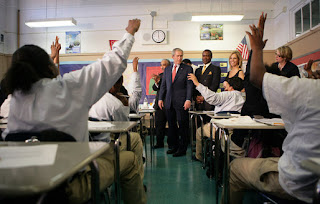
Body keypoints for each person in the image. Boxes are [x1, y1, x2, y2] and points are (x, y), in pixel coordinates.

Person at [2, 19, 146, 204]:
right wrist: (130, 32)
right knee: (131, 160)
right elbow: (111, 64)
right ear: (49, 67)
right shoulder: (68, 89)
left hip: (20, 188)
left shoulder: (12, 101)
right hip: (67, 187)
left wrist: (54, 56)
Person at [228, 12, 320, 204]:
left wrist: (256, 48)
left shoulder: (308, 90)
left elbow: (256, 77)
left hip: (300, 182)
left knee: (235, 168)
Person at [89, 57, 144, 182]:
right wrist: (124, 105)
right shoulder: (115, 105)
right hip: (107, 145)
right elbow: (124, 127)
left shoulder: (91, 98)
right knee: (134, 138)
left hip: (90, 144)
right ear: (118, 84)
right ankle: (136, 179)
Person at [188, 74, 245, 162]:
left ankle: (199, 156)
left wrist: (197, 83)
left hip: (220, 129)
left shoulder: (228, 95)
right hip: (237, 130)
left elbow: (212, 98)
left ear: (231, 87)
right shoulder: (244, 97)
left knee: (199, 132)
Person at [158, 48, 193, 157]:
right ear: (172, 56)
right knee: (171, 125)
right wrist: (160, 98)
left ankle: (182, 149)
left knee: (182, 125)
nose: (179, 58)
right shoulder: (167, 69)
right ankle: (174, 146)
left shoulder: (187, 68)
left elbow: (189, 85)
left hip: (182, 101)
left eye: (181, 56)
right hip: (169, 101)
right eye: (177, 56)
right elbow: (163, 85)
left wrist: (188, 99)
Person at [194, 49, 221, 123]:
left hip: (208, 101)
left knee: (208, 123)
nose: (205, 58)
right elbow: (195, 85)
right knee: (199, 123)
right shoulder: (198, 70)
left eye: (207, 56)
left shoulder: (215, 69)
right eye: (203, 56)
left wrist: (204, 97)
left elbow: (214, 85)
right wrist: (197, 97)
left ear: (211, 57)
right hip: (199, 102)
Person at [152, 59, 170, 148]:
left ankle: (171, 144)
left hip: (169, 104)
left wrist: (160, 81)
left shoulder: (172, 75)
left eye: (164, 65)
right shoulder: (160, 76)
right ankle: (159, 143)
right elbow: (154, 88)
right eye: (161, 65)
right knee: (159, 125)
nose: (162, 67)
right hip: (159, 106)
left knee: (171, 125)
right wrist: (156, 82)